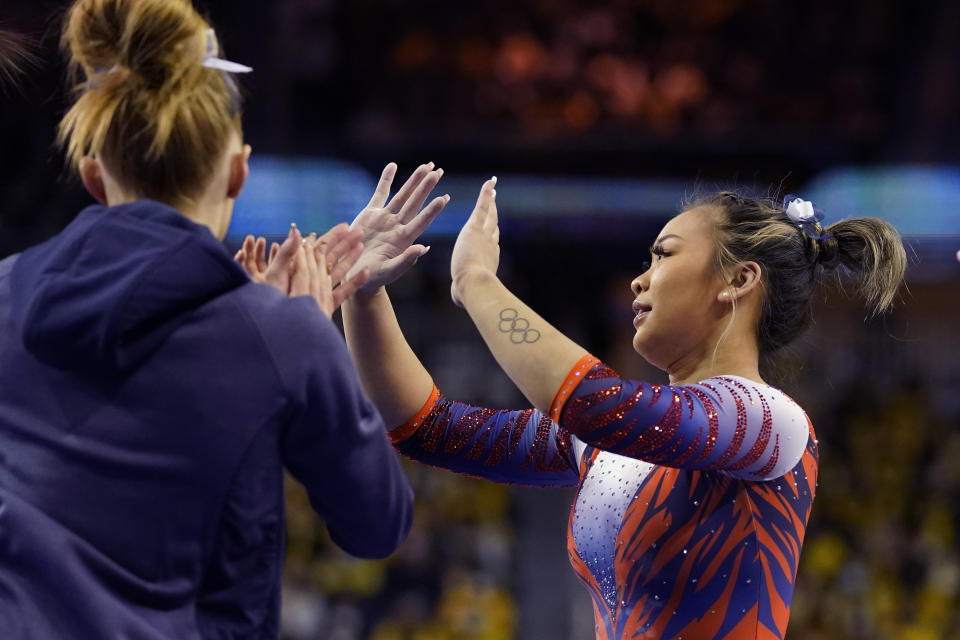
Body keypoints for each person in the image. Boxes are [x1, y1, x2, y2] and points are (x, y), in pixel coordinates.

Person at [313, 175, 904, 639]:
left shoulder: (770, 423)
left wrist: (476, 282)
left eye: (663, 255)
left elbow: (596, 405)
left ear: (738, 280)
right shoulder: (617, 441)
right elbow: (431, 429)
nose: (638, 282)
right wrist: (366, 294)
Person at [0, 1, 414, 638]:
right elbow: (377, 524)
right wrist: (296, 338)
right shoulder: (284, 334)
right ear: (238, 171)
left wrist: (262, 327)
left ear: (93, 177)